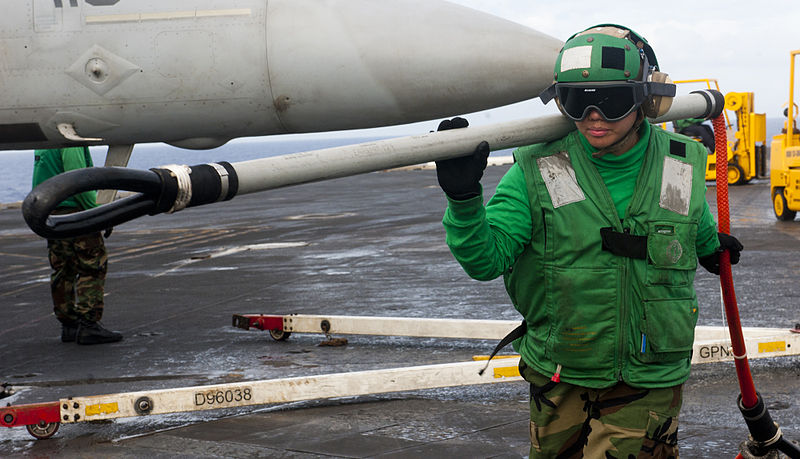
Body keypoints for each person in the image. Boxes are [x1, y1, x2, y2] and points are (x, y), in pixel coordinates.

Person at [435, 24, 743, 457]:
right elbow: (485, 260)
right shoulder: (537, 167)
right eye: (578, 102)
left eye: (612, 101)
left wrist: (710, 246)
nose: (594, 117)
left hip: (649, 374)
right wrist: (465, 201)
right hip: (561, 370)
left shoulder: (680, 162)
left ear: (645, 98)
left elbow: (686, 218)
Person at [32, 147, 122, 345]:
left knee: (63, 269)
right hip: (75, 215)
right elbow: (78, 181)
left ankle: (69, 325)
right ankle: (89, 325)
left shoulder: (45, 144)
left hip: (53, 213)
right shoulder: (70, 141)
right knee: (92, 266)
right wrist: (100, 214)